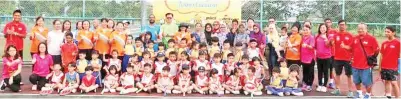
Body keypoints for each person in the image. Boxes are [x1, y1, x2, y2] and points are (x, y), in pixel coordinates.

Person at [350, 23, 379, 99]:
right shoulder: (355, 38)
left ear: (366, 29)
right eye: (359, 28)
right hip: (355, 65)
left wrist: (373, 57)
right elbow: (351, 49)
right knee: (356, 81)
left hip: (366, 66)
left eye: (362, 28)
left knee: (367, 82)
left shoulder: (371, 39)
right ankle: (359, 94)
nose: (360, 30)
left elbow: (377, 50)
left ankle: (368, 95)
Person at [331, 20, 354, 97]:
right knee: (337, 74)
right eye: (340, 25)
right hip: (337, 58)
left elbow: (352, 47)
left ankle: (350, 91)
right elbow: (331, 44)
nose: (342, 26)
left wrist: (345, 47)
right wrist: (330, 41)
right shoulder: (335, 35)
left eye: (343, 25)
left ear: (346, 26)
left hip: (348, 59)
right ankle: (337, 89)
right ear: (338, 26)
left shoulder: (350, 35)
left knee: (349, 75)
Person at [380, 26, 400, 98]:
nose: (386, 33)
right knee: (387, 82)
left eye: (388, 32)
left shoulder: (398, 43)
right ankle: (388, 96)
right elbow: (382, 56)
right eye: (385, 31)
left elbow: (399, 56)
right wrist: (380, 67)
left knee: (394, 83)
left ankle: (397, 97)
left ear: (393, 33)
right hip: (384, 67)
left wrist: (399, 67)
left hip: (393, 67)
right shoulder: (384, 43)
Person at [315, 24, 332, 92]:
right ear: (319, 29)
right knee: (319, 72)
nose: (322, 29)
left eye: (324, 28)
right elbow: (315, 47)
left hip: (327, 57)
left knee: (325, 71)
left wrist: (325, 38)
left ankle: (324, 86)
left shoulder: (329, 36)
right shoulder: (317, 37)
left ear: (326, 29)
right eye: (321, 28)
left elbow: (328, 45)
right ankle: (319, 85)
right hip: (319, 57)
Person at [300, 25, 315, 91]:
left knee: (310, 72)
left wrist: (306, 45)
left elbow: (312, 47)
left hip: (310, 59)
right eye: (304, 30)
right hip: (303, 58)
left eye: (307, 30)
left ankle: (310, 85)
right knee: (305, 72)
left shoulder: (311, 37)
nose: (305, 31)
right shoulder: (302, 38)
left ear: (310, 31)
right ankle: (305, 83)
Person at [324, 18, 337, 89]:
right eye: (326, 22)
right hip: (324, 53)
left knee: (332, 68)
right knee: (324, 68)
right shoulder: (323, 31)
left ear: (331, 23)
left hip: (332, 53)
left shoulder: (334, 31)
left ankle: (331, 82)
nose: (327, 23)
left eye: (329, 22)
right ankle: (323, 82)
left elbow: (337, 41)